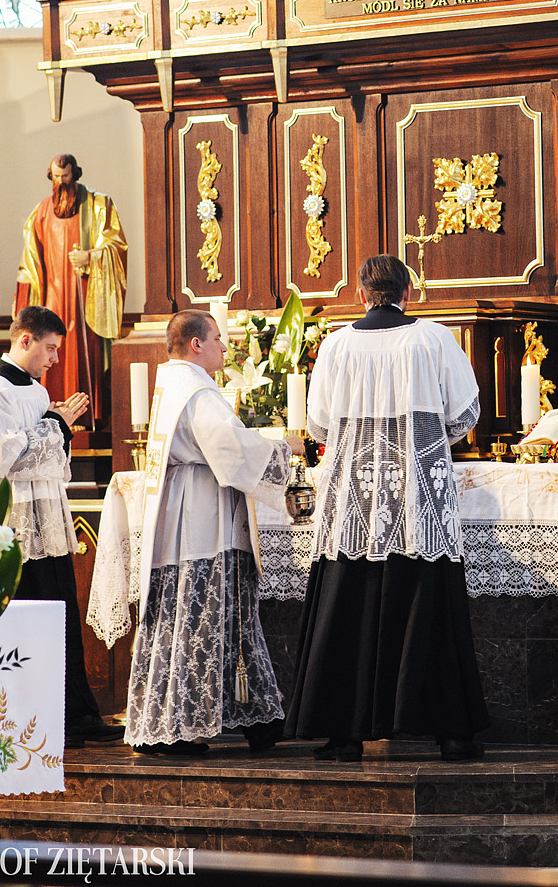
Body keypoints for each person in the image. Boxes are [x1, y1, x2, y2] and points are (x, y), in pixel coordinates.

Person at [286, 254, 489, 762]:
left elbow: (320, 426)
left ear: (360, 293)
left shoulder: (336, 344)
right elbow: (465, 413)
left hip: (353, 494)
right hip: (419, 495)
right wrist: (422, 445)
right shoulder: (433, 338)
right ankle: (451, 733)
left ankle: (343, 733)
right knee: (430, 603)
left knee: (348, 602)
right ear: (408, 292)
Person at [125, 310, 303, 757]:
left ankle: (235, 720)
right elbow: (227, 448)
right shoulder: (196, 391)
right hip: (203, 520)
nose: (225, 347)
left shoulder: (171, 384)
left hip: (186, 513)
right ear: (196, 344)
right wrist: (284, 449)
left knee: (199, 617)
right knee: (210, 612)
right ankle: (187, 728)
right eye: (218, 339)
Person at [0, 305, 124, 746]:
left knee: (60, 617)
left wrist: (55, 424)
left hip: (47, 525)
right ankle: (29, 718)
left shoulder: (37, 392)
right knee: (23, 622)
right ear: (23, 340)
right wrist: (56, 424)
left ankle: (75, 716)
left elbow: (50, 462)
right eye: (49, 348)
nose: (54, 359)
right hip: (10, 531)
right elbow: (4, 458)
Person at [15, 154, 127, 426]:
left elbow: (116, 246)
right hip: (51, 297)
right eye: (56, 177)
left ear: (75, 175)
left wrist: (93, 257)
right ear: (50, 177)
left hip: (85, 296)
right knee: (50, 351)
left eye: (66, 177)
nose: (61, 182)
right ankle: (51, 417)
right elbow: (29, 262)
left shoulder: (99, 205)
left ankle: (88, 418)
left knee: (80, 350)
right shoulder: (41, 211)